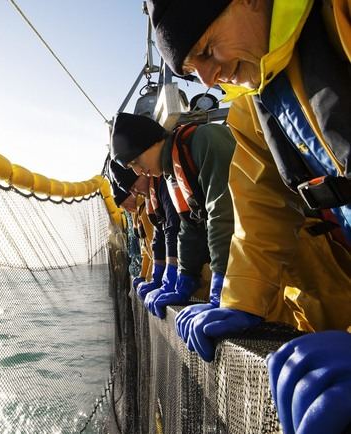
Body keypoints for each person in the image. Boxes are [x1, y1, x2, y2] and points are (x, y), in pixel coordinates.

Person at [146, 0, 351, 431]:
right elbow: (256, 209)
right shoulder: (254, 108)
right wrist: (241, 298)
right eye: (192, 70)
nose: (209, 77)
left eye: (205, 50)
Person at [111, 113, 234, 320]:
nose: (139, 170)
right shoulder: (172, 173)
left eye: (136, 162)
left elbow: (224, 213)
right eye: (132, 168)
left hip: (280, 250)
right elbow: (189, 226)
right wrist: (184, 277)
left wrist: (224, 289)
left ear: (152, 141)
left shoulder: (204, 141)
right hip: (252, 261)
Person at [110, 158, 181, 301]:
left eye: (133, 187)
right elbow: (154, 242)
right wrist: (152, 277)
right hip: (175, 274)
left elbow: (172, 230)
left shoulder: (162, 188)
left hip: (191, 273)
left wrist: (164, 276)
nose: (135, 193)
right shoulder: (148, 199)